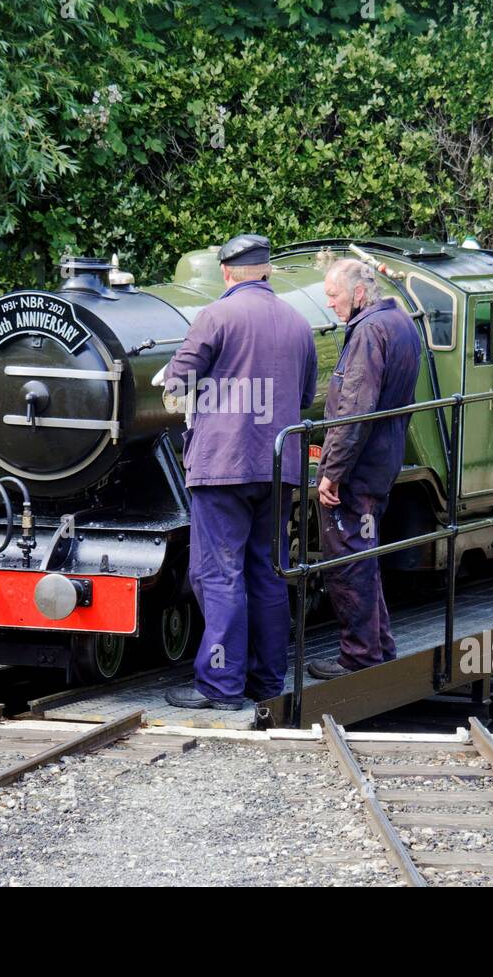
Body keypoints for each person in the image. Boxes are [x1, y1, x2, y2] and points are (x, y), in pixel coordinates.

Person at [162, 234, 318, 710]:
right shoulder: (298, 323)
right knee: (268, 572)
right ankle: (267, 681)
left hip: (223, 467)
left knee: (218, 573)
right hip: (279, 465)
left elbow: (177, 383)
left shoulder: (216, 316)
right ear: (267, 271)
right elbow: (306, 396)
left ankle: (221, 685)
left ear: (226, 273)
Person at [308, 256, 421, 680]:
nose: (331, 304)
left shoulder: (370, 332)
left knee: (347, 559)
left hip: (358, 471)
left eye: (334, 296)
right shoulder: (400, 322)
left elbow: (354, 410)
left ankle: (359, 657)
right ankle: (379, 647)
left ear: (358, 293)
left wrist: (331, 472)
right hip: (383, 462)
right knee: (365, 554)